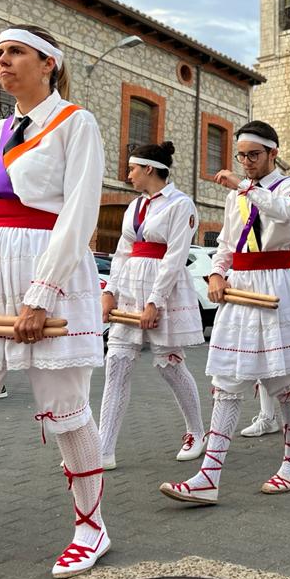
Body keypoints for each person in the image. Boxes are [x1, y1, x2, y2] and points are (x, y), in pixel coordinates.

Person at [0, 26, 109, 577]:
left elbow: (79, 214)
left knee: (65, 412)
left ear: (48, 64)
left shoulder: (76, 122)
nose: (3, 61)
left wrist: (42, 295)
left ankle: (91, 526)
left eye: (15, 52)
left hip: (46, 278)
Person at [159, 121, 290, 504]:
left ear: (273, 154)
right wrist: (216, 272)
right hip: (241, 289)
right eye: (241, 155)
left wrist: (245, 187)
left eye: (253, 155)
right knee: (227, 381)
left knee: (283, 383)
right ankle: (208, 476)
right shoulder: (237, 197)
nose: (245, 162)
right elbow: (227, 242)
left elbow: (283, 214)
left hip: (277, 285)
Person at [99, 141, 205, 469]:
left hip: (164, 290)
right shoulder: (134, 207)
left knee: (170, 365)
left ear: (148, 169)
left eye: (132, 168)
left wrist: (154, 302)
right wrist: (110, 291)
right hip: (131, 286)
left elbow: (175, 257)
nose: (128, 174)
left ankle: (197, 432)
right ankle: (103, 449)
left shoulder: (180, 204)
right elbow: (123, 250)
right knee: (116, 365)